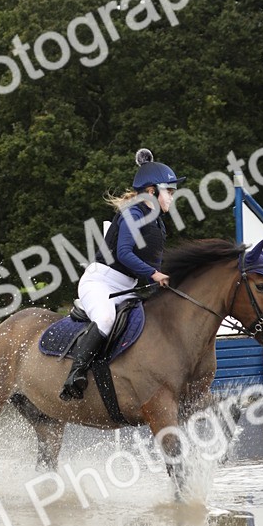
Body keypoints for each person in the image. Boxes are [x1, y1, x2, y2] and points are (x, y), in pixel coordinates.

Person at [60, 148, 186, 400]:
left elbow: (156, 264)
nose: (172, 198)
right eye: (169, 192)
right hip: (100, 283)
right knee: (106, 319)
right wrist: (153, 274)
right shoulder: (133, 212)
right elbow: (125, 253)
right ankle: (74, 376)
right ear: (152, 191)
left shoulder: (158, 224)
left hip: (126, 288)